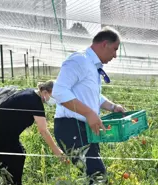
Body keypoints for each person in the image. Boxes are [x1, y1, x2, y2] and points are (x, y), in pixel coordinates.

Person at [52, 26, 126, 184]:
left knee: (94, 176)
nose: (115, 55)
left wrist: (113, 107)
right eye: (114, 49)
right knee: (97, 176)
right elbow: (59, 91)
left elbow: (92, 96)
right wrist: (89, 113)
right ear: (104, 44)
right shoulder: (79, 60)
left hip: (85, 128)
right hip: (71, 127)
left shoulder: (93, 67)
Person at [0, 80, 64, 185]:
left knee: (17, 158)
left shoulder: (30, 93)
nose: (54, 100)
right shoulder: (35, 102)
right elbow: (43, 130)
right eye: (53, 96)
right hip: (1, 139)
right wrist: (56, 150)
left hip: (0, 135)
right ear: (45, 92)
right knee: (14, 164)